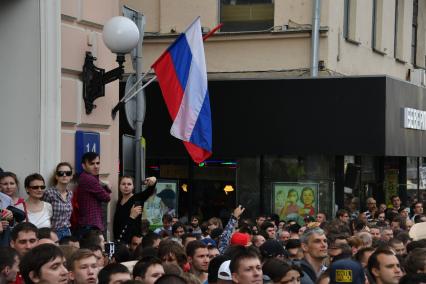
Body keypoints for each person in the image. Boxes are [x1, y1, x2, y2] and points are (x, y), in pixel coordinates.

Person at [113, 175, 157, 244]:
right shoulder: (119, 201)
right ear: (119, 186)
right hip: (120, 239)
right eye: (123, 184)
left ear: (133, 186)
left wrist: (153, 180)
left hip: (133, 240)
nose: (126, 186)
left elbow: (149, 191)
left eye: (129, 184)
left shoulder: (137, 198)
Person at [76, 152, 111, 237]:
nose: (96, 166)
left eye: (98, 163)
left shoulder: (89, 178)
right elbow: (106, 197)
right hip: (91, 225)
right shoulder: (88, 179)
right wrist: (107, 188)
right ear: (84, 166)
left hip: (89, 224)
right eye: (92, 164)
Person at [43, 162, 74, 240]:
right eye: (61, 173)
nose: (64, 175)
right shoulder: (49, 193)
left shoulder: (70, 194)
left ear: (71, 176)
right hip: (53, 232)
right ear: (56, 176)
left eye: (68, 173)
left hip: (67, 232)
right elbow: (44, 215)